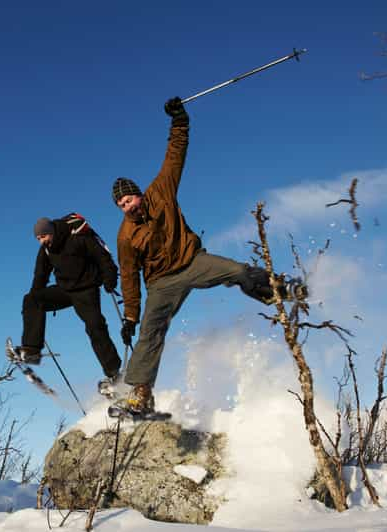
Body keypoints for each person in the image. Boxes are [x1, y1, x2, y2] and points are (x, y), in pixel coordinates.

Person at [111, 97, 307, 416]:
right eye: (121, 205)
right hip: (161, 282)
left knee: (238, 271)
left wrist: (180, 121)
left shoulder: (161, 190)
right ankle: (140, 394)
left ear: (139, 194)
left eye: (129, 199)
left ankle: (279, 290)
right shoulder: (126, 235)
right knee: (151, 330)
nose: (128, 207)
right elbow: (128, 275)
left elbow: (175, 155)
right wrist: (130, 316)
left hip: (192, 261)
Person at [15, 216, 123, 395]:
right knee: (31, 299)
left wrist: (110, 277)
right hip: (65, 290)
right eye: (38, 239)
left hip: (86, 290)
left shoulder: (76, 238)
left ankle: (113, 373)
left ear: (51, 232)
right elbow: (40, 275)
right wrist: (37, 299)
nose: (41, 242)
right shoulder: (46, 250)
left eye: (43, 237)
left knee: (95, 327)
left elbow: (101, 256)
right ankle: (32, 351)